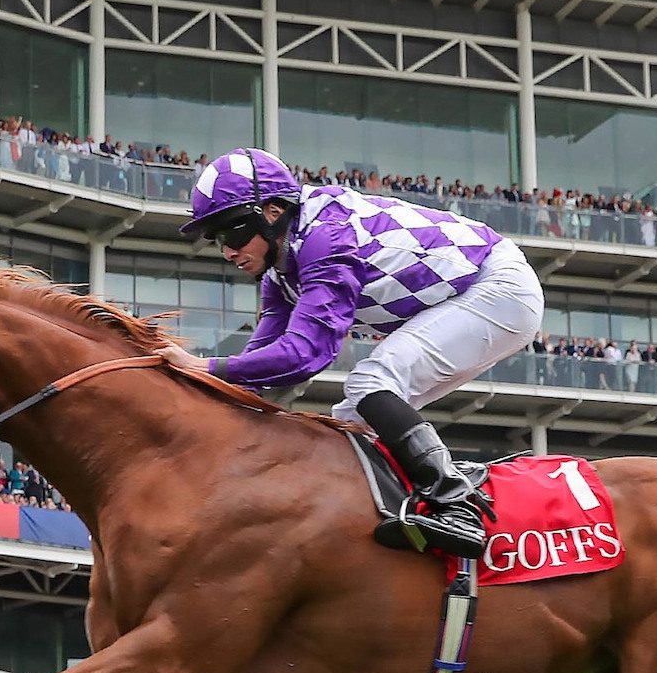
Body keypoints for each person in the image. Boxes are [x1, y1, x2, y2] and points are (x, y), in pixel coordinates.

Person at [160, 147, 545, 557]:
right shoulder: (281, 269)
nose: (227, 251)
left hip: (498, 289)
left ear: (272, 212)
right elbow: (261, 363)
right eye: (216, 239)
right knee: (351, 421)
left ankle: (455, 504)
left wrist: (204, 365)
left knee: (371, 382)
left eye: (231, 233)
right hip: (474, 293)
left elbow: (306, 355)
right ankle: (408, 506)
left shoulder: (326, 237)